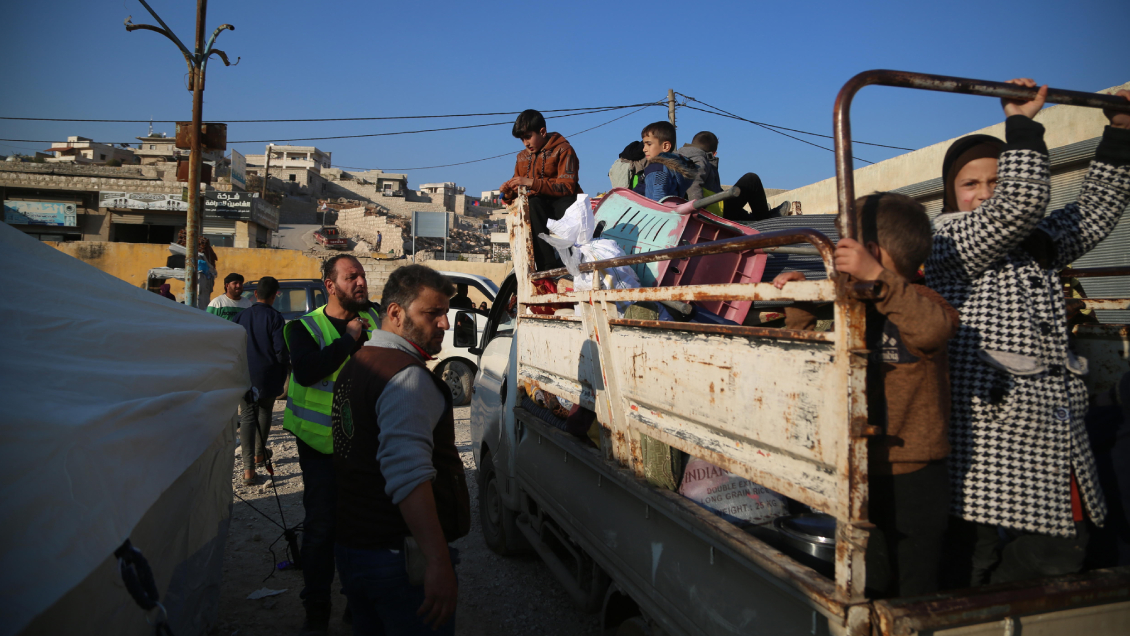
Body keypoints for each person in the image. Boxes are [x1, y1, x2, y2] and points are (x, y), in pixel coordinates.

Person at [927, 80, 1130, 587]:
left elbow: (1095, 213)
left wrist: (1120, 134)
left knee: (1060, 547)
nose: (985, 194)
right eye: (970, 184)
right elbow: (1018, 205)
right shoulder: (950, 237)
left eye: (996, 180)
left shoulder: (1033, 241)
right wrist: (1021, 125)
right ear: (951, 194)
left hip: (1048, 421)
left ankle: (999, 603)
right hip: (986, 424)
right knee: (969, 549)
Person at [774, 192, 959, 597]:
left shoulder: (922, 302)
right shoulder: (852, 307)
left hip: (915, 476)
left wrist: (878, 278)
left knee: (916, 584)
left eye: (845, 245)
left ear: (871, 252)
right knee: (868, 579)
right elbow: (810, 358)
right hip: (856, 469)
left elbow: (932, 330)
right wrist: (803, 301)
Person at [332, 265, 470, 635]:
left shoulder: (357, 363)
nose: (444, 323)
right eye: (432, 313)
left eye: (444, 312)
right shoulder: (406, 377)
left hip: (356, 550)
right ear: (395, 313)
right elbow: (408, 477)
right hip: (397, 558)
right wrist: (438, 562)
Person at [283, 254, 383, 635]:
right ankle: (317, 610)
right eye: (350, 276)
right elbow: (308, 372)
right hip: (320, 447)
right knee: (322, 529)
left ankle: (357, 604)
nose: (360, 282)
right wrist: (349, 340)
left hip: (365, 446)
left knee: (362, 529)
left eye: (362, 275)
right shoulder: (302, 328)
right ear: (330, 285)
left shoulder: (376, 318)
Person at [500, 109, 583, 271]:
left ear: (542, 132)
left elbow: (567, 187)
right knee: (533, 204)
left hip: (563, 203)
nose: (525, 143)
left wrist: (532, 183)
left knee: (566, 206)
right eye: (522, 139)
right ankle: (546, 267)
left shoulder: (564, 150)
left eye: (528, 137)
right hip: (539, 207)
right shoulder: (522, 157)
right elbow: (519, 189)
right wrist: (509, 193)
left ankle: (575, 258)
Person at [233, 276, 288, 486]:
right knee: (265, 411)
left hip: (244, 375)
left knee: (247, 416)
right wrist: (285, 368)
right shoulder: (275, 318)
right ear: (276, 295)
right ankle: (259, 454)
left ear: (255, 294)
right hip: (269, 375)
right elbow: (280, 350)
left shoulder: (241, 317)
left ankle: (248, 470)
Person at [675, 130, 784, 221]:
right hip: (712, 211)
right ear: (714, 153)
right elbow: (693, 182)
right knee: (751, 179)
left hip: (715, 207)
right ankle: (765, 219)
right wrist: (696, 211)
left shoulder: (678, 155)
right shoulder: (699, 158)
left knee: (735, 205)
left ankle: (753, 218)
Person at [633, 121, 697, 201]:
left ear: (666, 146)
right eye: (644, 145)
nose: (644, 149)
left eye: (649, 144)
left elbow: (657, 196)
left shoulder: (656, 167)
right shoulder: (675, 169)